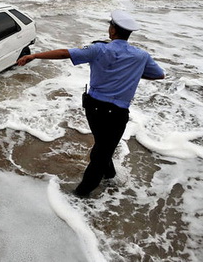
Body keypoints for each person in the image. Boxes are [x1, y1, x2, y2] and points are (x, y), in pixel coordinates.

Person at [17, 10, 165, 197]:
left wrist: (35, 55)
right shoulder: (141, 56)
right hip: (117, 113)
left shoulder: (99, 49)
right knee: (102, 150)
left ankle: (95, 184)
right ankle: (87, 190)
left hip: (93, 109)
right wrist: (133, 73)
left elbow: (65, 53)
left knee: (102, 147)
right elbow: (159, 74)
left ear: (112, 31)